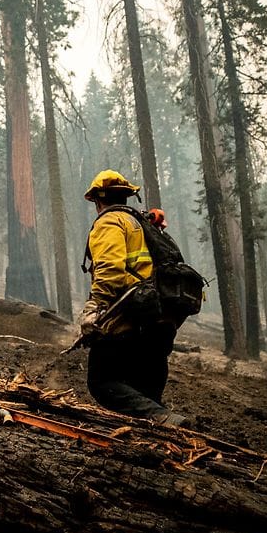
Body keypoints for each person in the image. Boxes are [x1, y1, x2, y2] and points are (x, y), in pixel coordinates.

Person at [78, 170, 186, 427]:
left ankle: (161, 418)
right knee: (145, 395)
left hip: (130, 320)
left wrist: (94, 307)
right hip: (161, 320)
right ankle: (162, 431)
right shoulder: (145, 224)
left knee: (101, 382)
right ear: (126, 196)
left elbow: (110, 270)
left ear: (97, 200)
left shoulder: (110, 222)